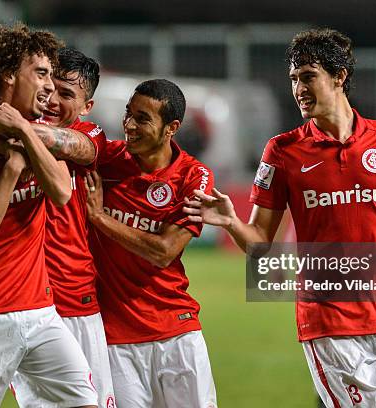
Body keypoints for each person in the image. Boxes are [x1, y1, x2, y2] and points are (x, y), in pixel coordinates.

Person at [184, 28, 376, 407]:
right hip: (330, 323)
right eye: (293, 79)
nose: (298, 88)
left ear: (339, 77)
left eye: (308, 76)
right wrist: (230, 221)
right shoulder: (283, 151)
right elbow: (259, 242)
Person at [0, 47, 115, 408]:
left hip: (72, 302)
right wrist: (7, 141)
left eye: (66, 94)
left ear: (87, 107)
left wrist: (12, 130)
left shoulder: (87, 136)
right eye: (47, 84)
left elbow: (65, 151)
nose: (52, 98)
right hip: (15, 300)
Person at [85, 79, 218, 408]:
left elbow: (164, 251)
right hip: (115, 340)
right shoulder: (107, 160)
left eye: (142, 119)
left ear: (172, 127)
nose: (129, 126)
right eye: (128, 115)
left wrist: (99, 218)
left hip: (178, 333)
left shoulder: (193, 176)